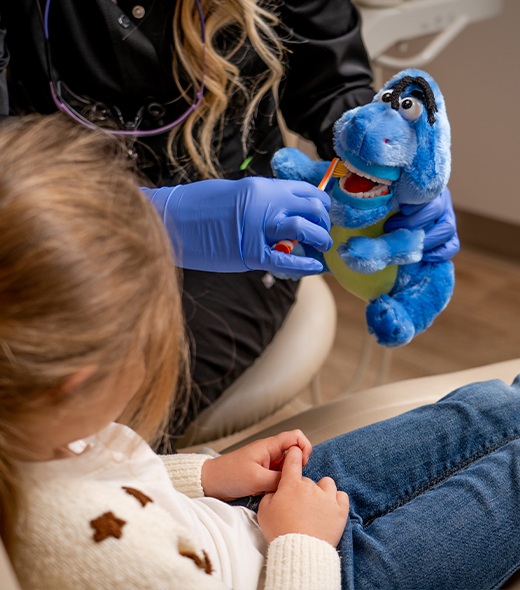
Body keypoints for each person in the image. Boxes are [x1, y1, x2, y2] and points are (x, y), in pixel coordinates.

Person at [1, 114, 518, 590]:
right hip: (312, 574)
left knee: (483, 409)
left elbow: (123, 477)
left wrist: (205, 477)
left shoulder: (43, 433)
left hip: (243, 519)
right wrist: (304, 542)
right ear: (76, 380)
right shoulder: (104, 563)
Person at [0, 0, 460, 437]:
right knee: (36, 415)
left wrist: (389, 164)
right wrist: (153, 216)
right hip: (40, 229)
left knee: (102, 420)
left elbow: (331, 82)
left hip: (249, 235)